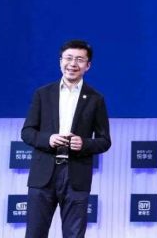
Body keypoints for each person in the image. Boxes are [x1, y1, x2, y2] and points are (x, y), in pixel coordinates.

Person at [21, 40, 111, 238]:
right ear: (60, 61)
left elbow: (105, 140)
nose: (73, 64)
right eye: (68, 58)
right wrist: (49, 139)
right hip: (43, 175)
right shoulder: (43, 94)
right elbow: (27, 132)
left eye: (79, 59)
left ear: (88, 66)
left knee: (74, 235)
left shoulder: (96, 98)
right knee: (35, 233)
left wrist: (84, 143)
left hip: (76, 176)